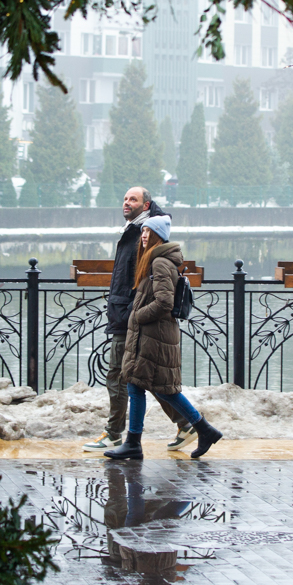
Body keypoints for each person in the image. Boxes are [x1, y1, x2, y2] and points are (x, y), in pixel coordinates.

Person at [83, 187, 194, 452]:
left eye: (133, 199)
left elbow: (144, 283)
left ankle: (114, 434)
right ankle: (188, 424)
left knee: (120, 376)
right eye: (124, 198)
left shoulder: (143, 235)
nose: (126, 203)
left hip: (130, 318)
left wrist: (134, 313)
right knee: (142, 378)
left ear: (146, 206)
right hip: (128, 314)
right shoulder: (138, 230)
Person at [105, 215, 222, 460]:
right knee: (138, 385)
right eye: (143, 231)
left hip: (154, 336)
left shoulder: (159, 263)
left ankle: (202, 429)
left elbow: (164, 303)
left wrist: (136, 316)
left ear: (159, 236)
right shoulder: (154, 260)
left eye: (149, 232)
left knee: (164, 389)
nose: (144, 235)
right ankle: (136, 442)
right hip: (151, 335)